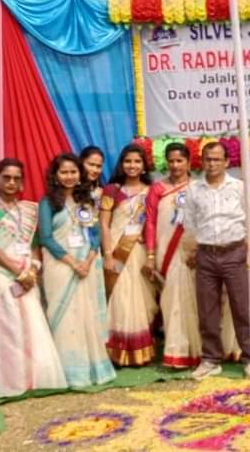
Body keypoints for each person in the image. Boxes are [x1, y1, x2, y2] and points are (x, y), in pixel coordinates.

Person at [0, 158, 67, 397]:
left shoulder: (27, 209)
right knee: (9, 329)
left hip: (27, 273)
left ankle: (36, 378)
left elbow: (35, 244)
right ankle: (12, 382)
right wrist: (19, 273)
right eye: (6, 177)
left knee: (32, 326)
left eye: (16, 178)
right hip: (2, 274)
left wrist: (33, 269)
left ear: (22, 182)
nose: (11, 182)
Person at [39, 153, 116, 387]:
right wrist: (73, 263)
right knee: (65, 318)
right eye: (64, 172)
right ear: (55, 175)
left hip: (87, 265)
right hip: (61, 266)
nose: (69, 176)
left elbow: (94, 234)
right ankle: (70, 373)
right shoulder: (48, 203)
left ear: (79, 174)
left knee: (87, 314)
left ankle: (93, 369)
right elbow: (46, 238)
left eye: (73, 172)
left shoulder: (86, 201)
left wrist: (89, 260)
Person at [184, 142, 250, 380]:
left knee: (242, 308)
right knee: (207, 310)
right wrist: (194, 250)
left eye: (217, 159)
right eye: (208, 159)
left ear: (227, 162)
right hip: (205, 254)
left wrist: (246, 251)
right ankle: (211, 359)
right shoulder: (194, 189)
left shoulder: (239, 187)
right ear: (201, 162)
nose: (212, 164)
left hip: (234, 253)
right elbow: (190, 223)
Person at [101, 144, 158, 366]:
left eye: (137, 161)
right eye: (128, 161)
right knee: (120, 299)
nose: (132, 165)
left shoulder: (151, 191)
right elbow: (104, 225)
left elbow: (154, 222)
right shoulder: (112, 190)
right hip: (116, 250)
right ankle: (117, 351)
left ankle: (141, 350)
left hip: (140, 252)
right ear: (121, 164)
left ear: (144, 166)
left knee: (142, 300)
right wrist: (108, 255)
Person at [144, 143, 201, 368]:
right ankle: (175, 351)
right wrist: (150, 255)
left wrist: (198, 249)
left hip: (191, 253)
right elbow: (150, 222)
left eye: (180, 161)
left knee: (193, 300)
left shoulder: (198, 187)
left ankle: (196, 351)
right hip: (165, 252)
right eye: (171, 161)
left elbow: (204, 219)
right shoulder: (158, 188)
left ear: (188, 162)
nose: (175, 165)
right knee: (170, 300)